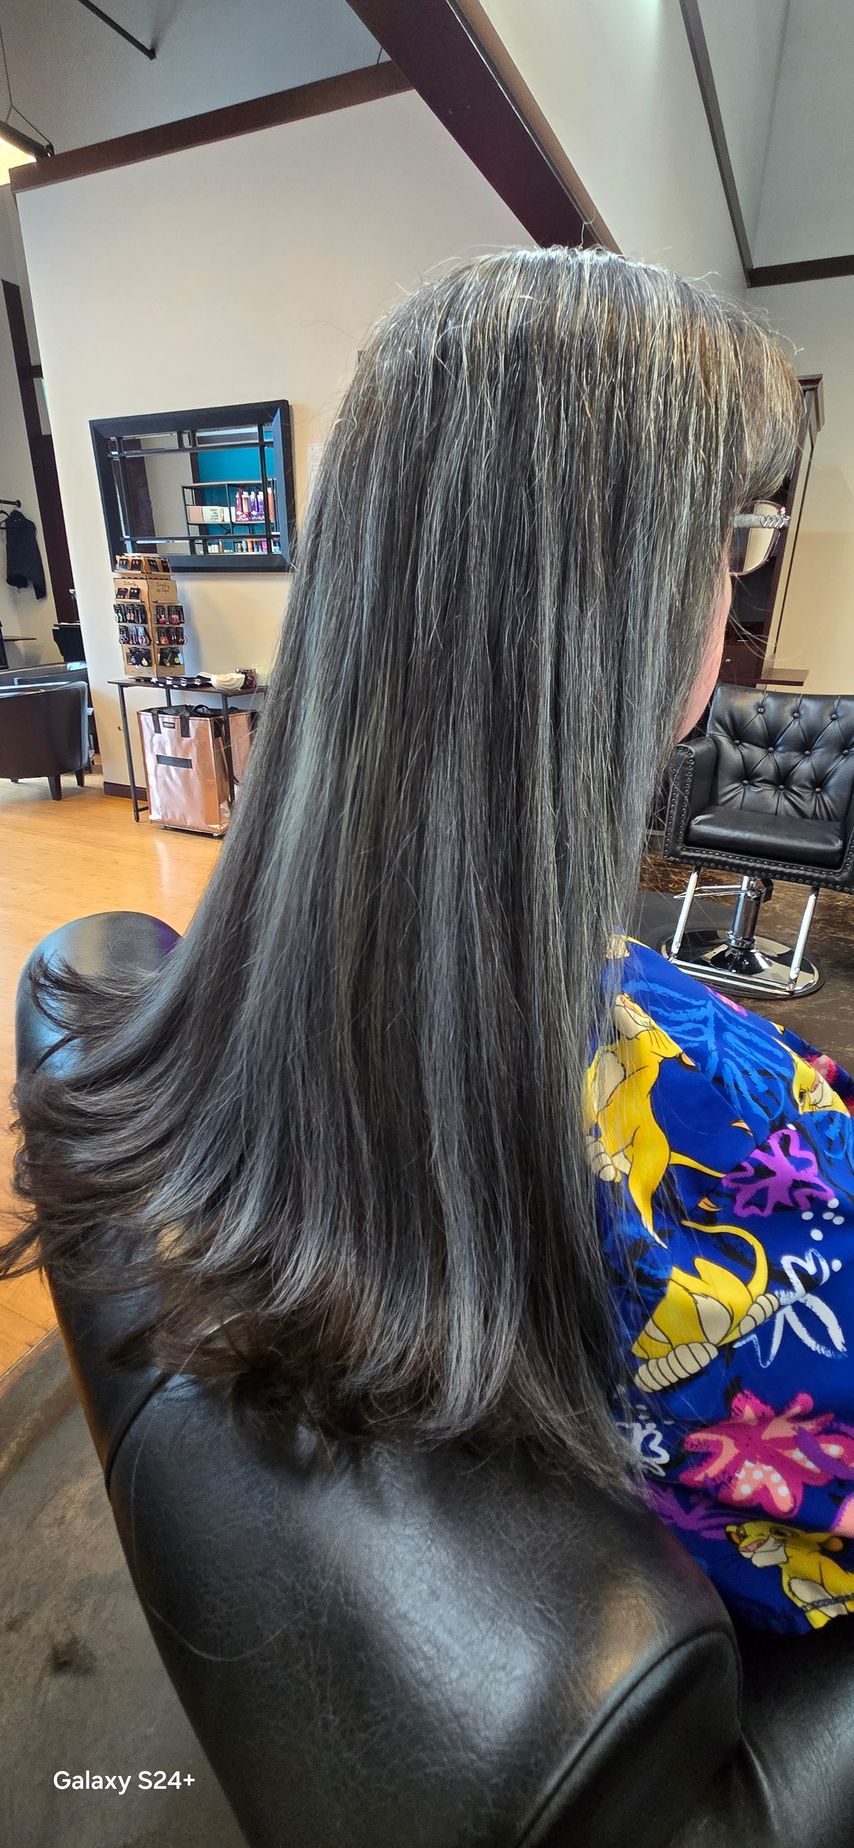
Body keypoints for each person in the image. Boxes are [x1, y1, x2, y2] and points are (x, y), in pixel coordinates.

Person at [7, 246, 850, 1634]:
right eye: (732, 540)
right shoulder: (722, 1154)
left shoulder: (221, 1001)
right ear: (630, 612)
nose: (734, 588)